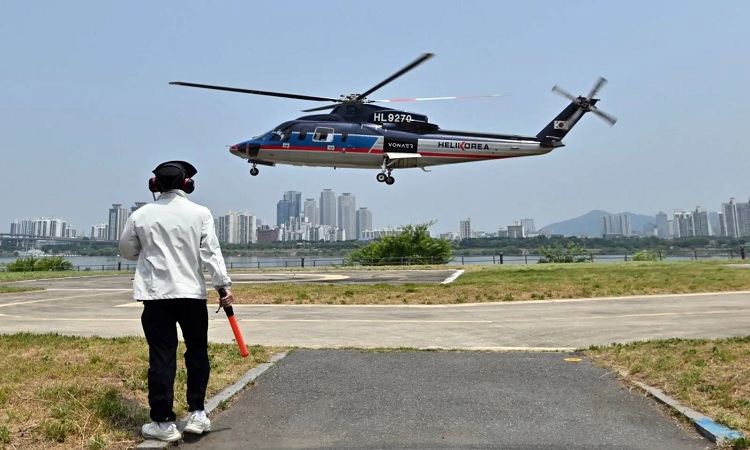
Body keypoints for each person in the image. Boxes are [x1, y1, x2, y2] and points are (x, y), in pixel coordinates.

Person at [119, 160, 234, 442]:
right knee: (197, 352)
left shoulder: (141, 215)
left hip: (156, 296)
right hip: (192, 295)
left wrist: (147, 252)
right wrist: (223, 287)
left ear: (154, 185)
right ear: (187, 185)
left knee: (161, 357)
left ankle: (162, 423)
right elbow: (211, 254)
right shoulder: (201, 213)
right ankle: (197, 413)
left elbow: (126, 250)